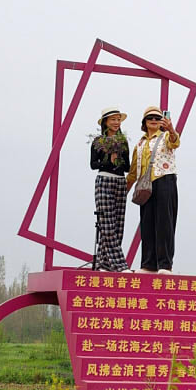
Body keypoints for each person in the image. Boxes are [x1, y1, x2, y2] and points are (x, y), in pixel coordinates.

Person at [128, 105, 180, 272]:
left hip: (164, 180)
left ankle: (165, 264)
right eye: (150, 118)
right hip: (145, 186)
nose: (154, 120)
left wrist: (171, 129)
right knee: (147, 223)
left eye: (157, 118)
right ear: (144, 122)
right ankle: (148, 264)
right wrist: (123, 191)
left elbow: (175, 142)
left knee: (164, 223)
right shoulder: (140, 144)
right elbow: (133, 172)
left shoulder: (165, 137)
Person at [88, 107, 130, 270]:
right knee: (106, 224)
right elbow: (93, 165)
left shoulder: (123, 142)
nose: (116, 122)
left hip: (120, 181)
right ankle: (120, 264)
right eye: (113, 119)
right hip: (104, 180)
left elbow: (127, 166)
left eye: (118, 119)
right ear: (106, 121)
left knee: (118, 224)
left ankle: (104, 263)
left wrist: (118, 159)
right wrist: (108, 161)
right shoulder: (98, 141)